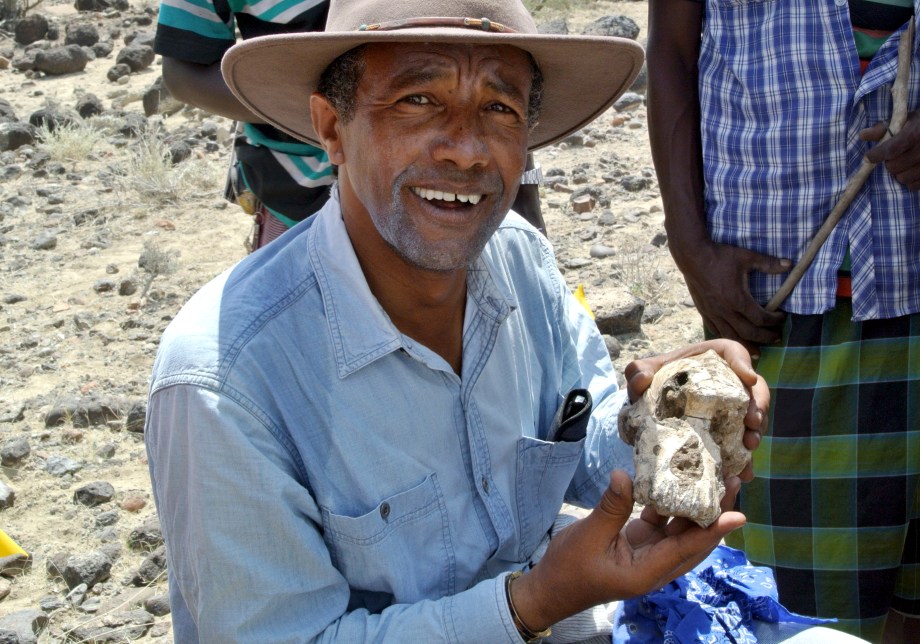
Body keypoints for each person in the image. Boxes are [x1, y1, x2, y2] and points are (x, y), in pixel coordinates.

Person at [144, 0, 772, 640]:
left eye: (499, 109)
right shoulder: (223, 381)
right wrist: (532, 603)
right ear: (332, 127)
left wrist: (670, 414)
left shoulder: (520, 261)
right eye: (417, 101)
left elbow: (589, 455)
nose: (468, 151)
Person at [646, 0, 920, 641]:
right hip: (774, 303)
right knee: (794, 609)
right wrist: (689, 244)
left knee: (914, 599)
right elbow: (672, 51)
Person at [153, 0, 547, 251]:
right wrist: (337, 116)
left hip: (447, 199)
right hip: (293, 192)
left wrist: (524, 198)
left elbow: (490, 69)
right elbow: (185, 71)